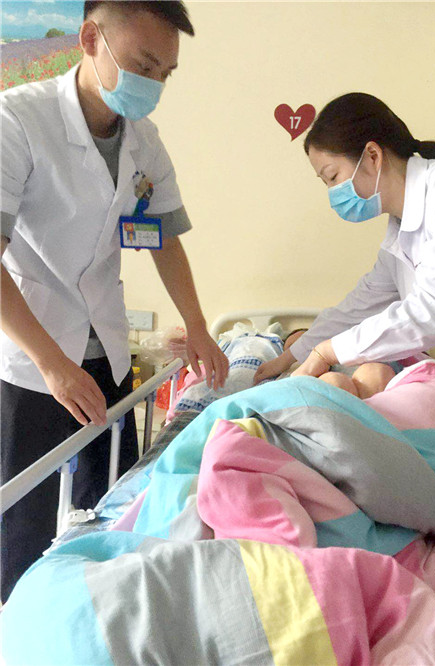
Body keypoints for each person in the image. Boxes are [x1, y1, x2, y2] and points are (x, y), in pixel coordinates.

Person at [0, 0, 229, 601]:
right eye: (143, 65)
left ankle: (101, 610)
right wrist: (51, 364)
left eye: (164, 74)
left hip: (107, 348)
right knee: (23, 521)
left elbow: (164, 239)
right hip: (33, 358)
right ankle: (21, 618)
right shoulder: (17, 120)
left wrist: (198, 326)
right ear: (89, 38)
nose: (153, 85)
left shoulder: (143, 142)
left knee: (112, 503)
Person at [254, 93, 435, 401]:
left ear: (372, 156)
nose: (332, 194)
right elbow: (357, 307)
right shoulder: (400, 234)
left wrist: (327, 351)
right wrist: (290, 357)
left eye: (333, 177)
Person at [282, 328, 395, 399]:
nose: (300, 350)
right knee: (334, 382)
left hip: (375, 389)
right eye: (292, 348)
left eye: (303, 343)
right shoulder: (287, 375)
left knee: (373, 371)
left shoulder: (346, 353)